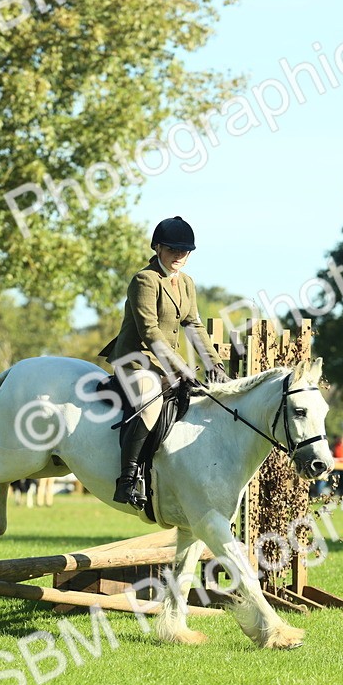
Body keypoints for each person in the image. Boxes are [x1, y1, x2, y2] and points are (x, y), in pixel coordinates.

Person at [98, 216, 228, 508]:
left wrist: (214, 364)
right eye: (173, 249)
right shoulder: (145, 279)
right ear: (157, 247)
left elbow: (193, 325)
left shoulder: (187, 283)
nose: (180, 256)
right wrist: (182, 367)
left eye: (185, 250)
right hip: (136, 359)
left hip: (165, 363)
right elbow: (150, 331)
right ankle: (128, 479)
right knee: (151, 401)